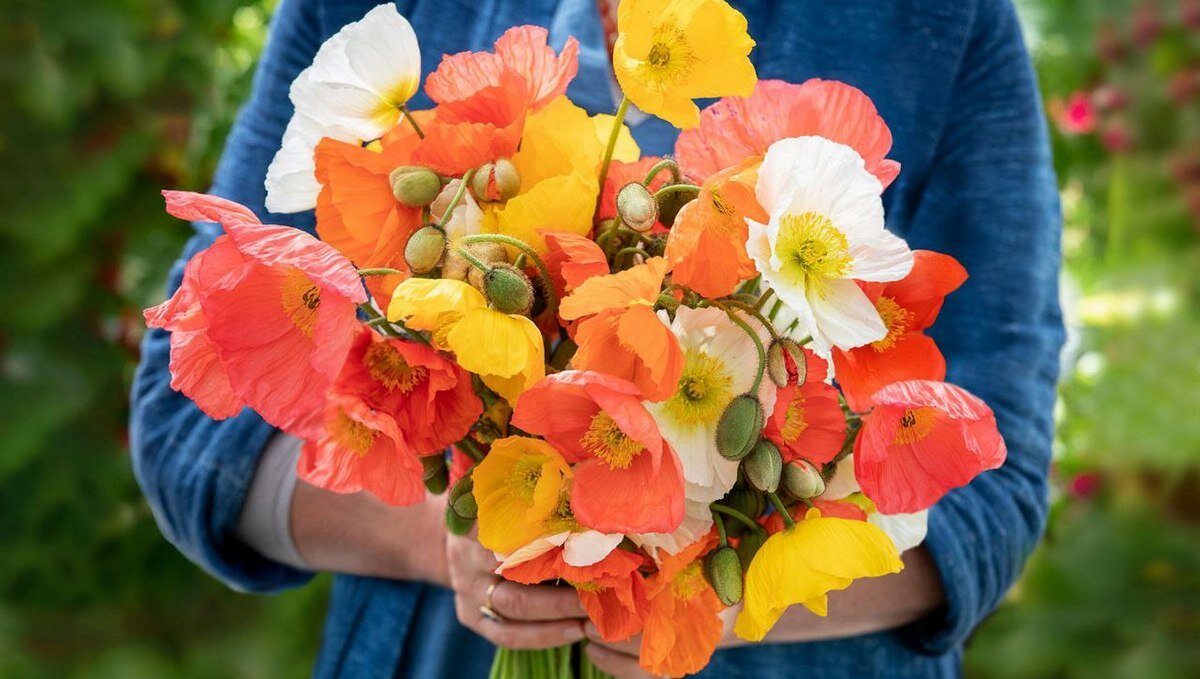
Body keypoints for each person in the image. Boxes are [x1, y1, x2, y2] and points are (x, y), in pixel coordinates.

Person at [129, 0, 1065, 677]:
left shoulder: (941, 20)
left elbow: (996, 485)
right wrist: (477, 540)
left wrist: (706, 589)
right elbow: (190, 430)